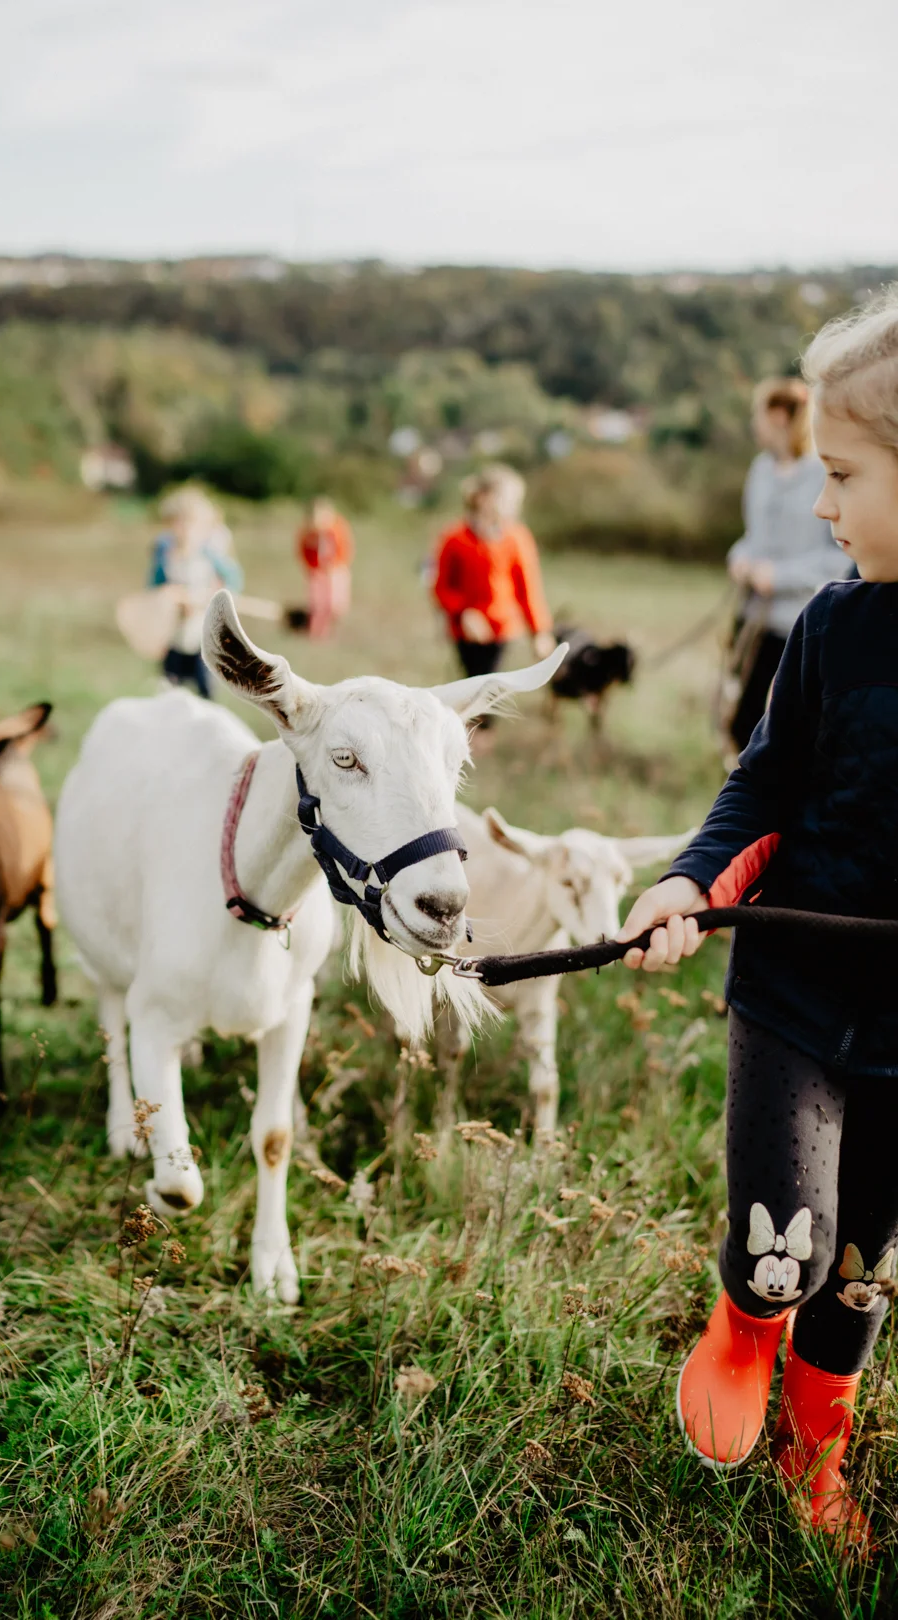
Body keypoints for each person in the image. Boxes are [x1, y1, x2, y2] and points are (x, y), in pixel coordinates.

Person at [616, 289, 898, 1552]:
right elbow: (763, 783)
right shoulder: (834, 627)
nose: (822, 506)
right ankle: (742, 1327)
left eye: (843, 476)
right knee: (785, 1245)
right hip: (791, 992)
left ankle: (815, 1446)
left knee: (864, 1272)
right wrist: (691, 881)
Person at [723, 378, 846, 754]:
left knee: (777, 727)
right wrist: (739, 556)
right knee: (740, 720)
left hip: (795, 623)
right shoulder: (760, 469)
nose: (753, 423)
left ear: (777, 416)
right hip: (751, 616)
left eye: (757, 414)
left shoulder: (822, 474)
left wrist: (779, 577)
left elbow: (840, 557)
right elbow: (752, 534)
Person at [432, 465, 556, 690]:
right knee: (469, 687)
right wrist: (463, 613)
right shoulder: (454, 538)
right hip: (465, 631)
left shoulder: (518, 538)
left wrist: (540, 632)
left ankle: (486, 725)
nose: (511, 507)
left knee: (490, 691)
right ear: (482, 497)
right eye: (506, 499)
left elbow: (528, 589)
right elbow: (441, 587)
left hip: (502, 629)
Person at [148, 486, 243, 696]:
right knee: (170, 686)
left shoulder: (209, 555)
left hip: (201, 632)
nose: (183, 529)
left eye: (189, 523)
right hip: (174, 632)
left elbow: (233, 579)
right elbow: (155, 586)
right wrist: (166, 597)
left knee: (205, 685)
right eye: (177, 522)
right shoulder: (166, 553)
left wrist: (218, 599)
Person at [296, 496, 354, 639]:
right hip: (317, 572)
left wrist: (337, 565)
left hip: (336, 570)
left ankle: (331, 625)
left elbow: (345, 547)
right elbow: (303, 551)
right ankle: (316, 632)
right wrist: (311, 566)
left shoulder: (337, 530)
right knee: (318, 604)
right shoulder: (309, 534)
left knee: (335, 604)